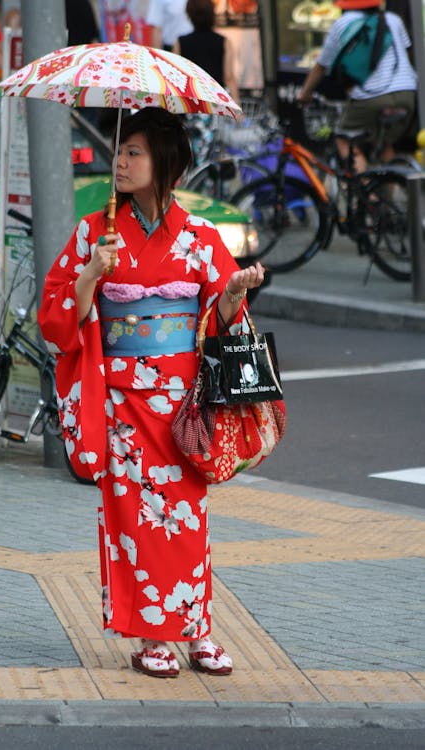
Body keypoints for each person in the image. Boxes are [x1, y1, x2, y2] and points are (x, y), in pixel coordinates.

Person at [38, 107, 265, 677]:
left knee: (188, 519)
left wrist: (234, 291)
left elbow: (219, 320)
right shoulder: (96, 231)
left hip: (182, 406)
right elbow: (56, 320)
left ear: (167, 167)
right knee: (134, 521)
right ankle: (148, 636)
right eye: (122, 150)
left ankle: (196, 630)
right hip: (120, 402)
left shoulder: (200, 236)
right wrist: (91, 273)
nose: (119, 161)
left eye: (134, 153)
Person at [297, 0, 417, 170]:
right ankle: (389, 193)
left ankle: (366, 192)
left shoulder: (343, 23)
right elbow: (407, 49)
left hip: (371, 96)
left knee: (344, 139)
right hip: (407, 93)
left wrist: (304, 94)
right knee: (383, 143)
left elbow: (320, 66)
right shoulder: (393, 19)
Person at [173, 0, 240, 108]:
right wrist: (237, 104)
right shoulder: (223, 41)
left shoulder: (180, 42)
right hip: (215, 102)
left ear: (189, 14)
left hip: (190, 103)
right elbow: (229, 77)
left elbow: (176, 76)